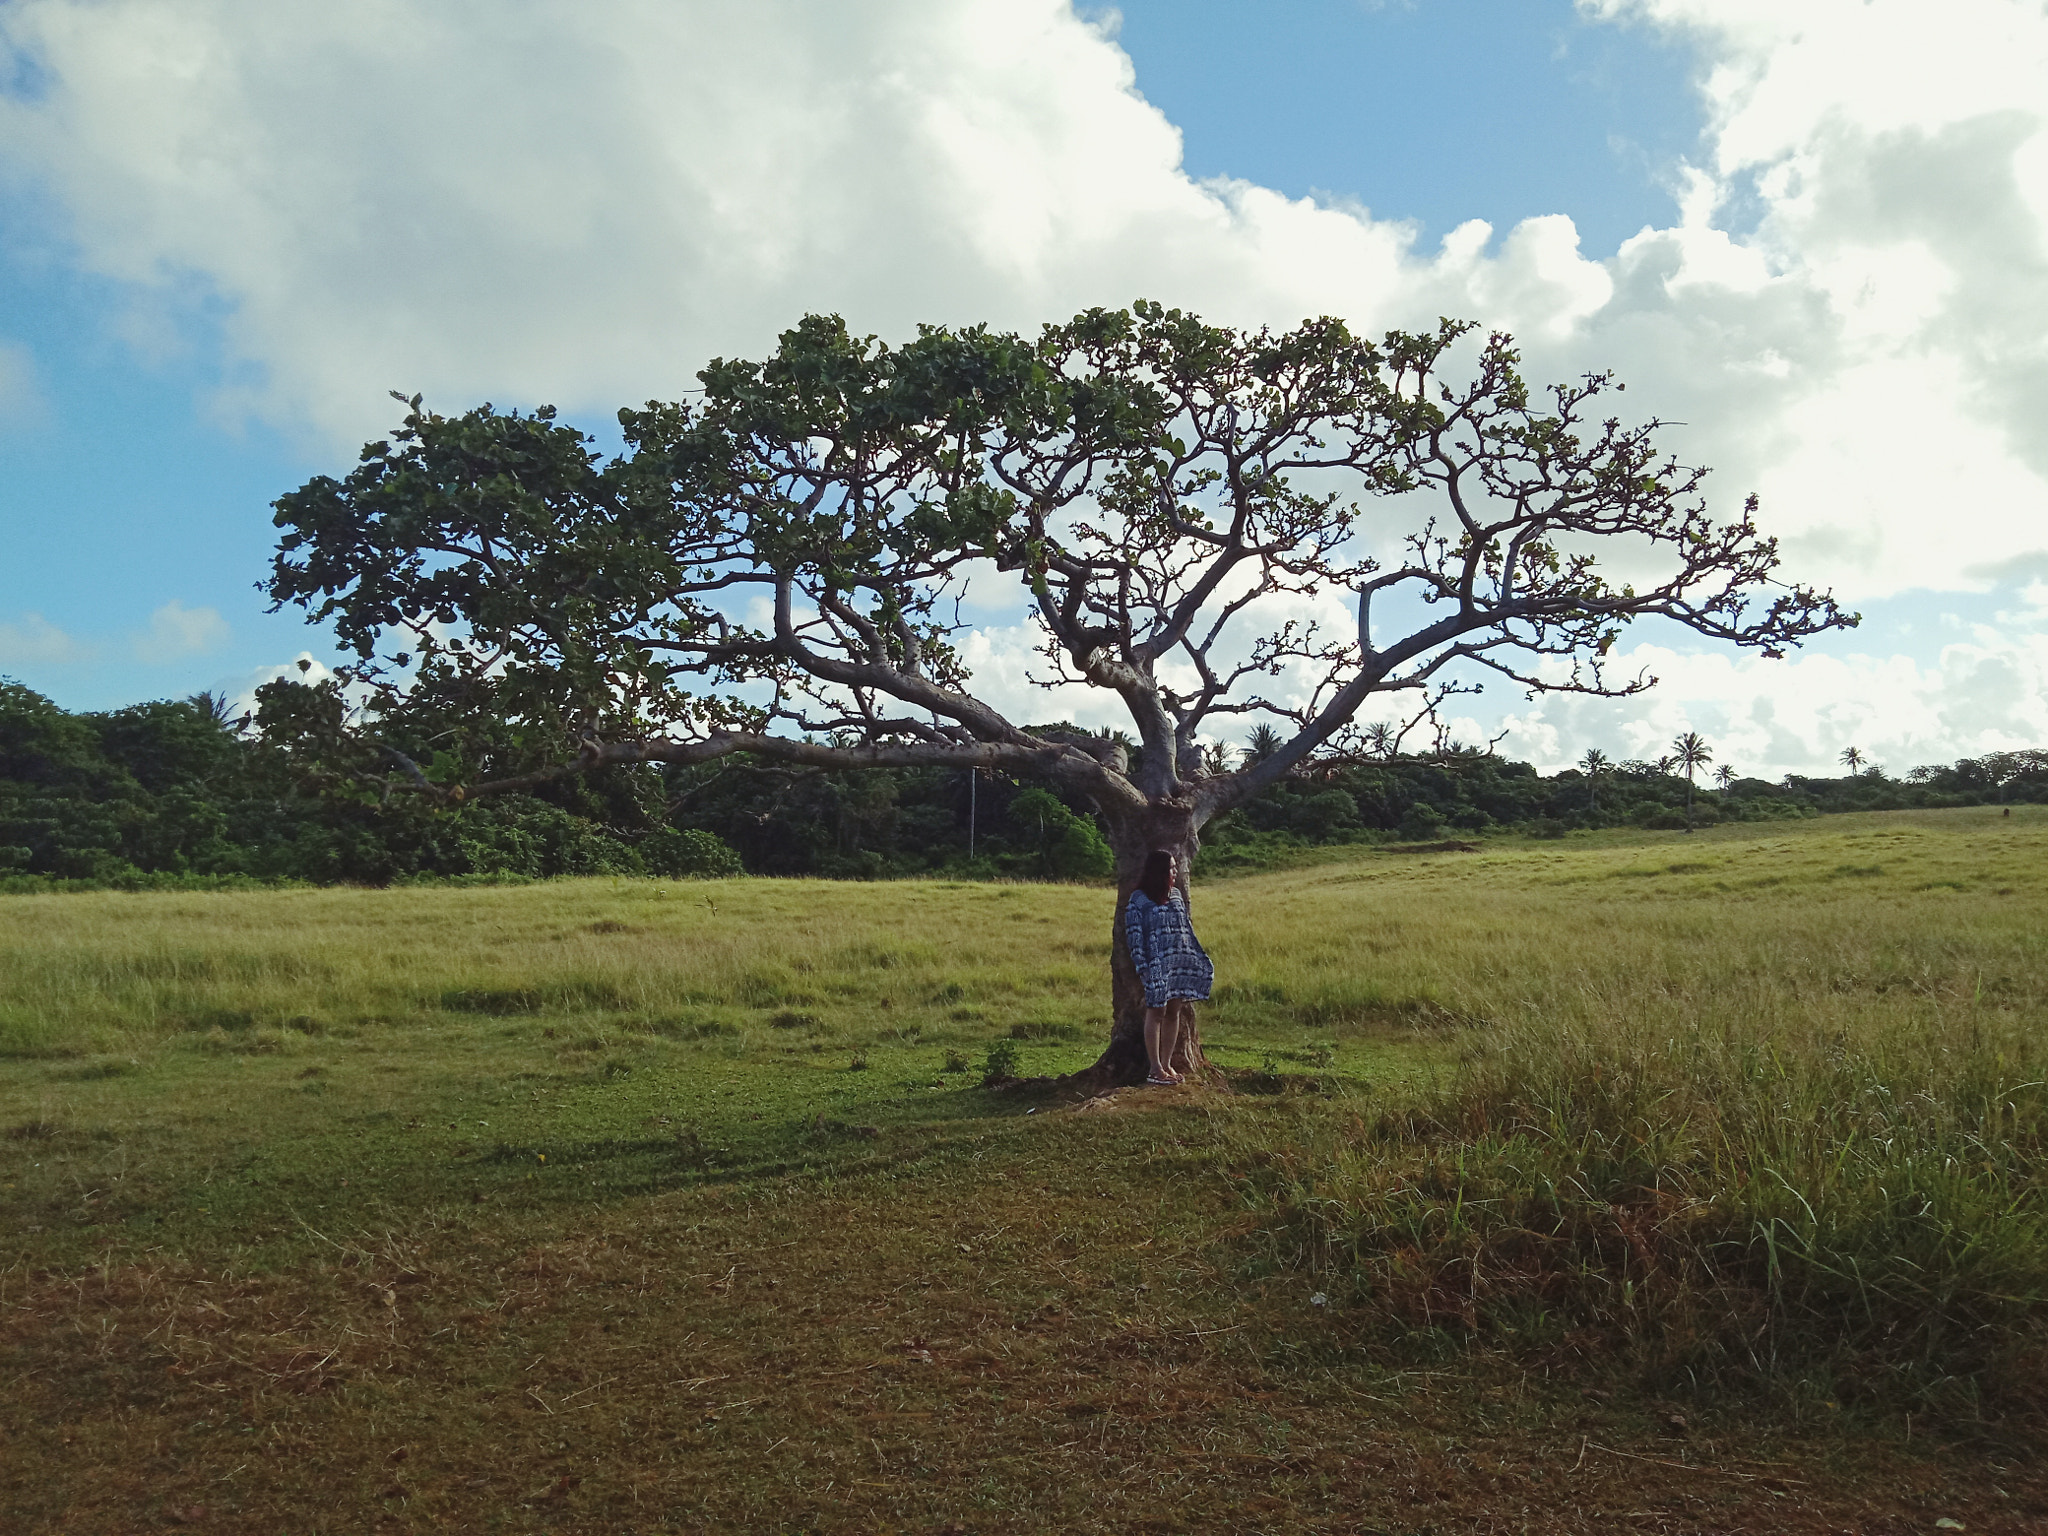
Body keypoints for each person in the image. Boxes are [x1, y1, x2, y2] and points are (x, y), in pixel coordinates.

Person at [1122, 848, 1214, 1086]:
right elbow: (1134, 934)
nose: (1175, 872)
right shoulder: (1139, 899)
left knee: (1174, 1012)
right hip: (1154, 965)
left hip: (1178, 964)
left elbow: (1186, 930)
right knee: (1156, 1012)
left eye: (1175, 867)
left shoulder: (1175, 895)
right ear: (1159, 871)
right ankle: (1155, 1068)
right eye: (1171, 868)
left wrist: (1195, 958)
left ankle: (1167, 1063)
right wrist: (1142, 965)